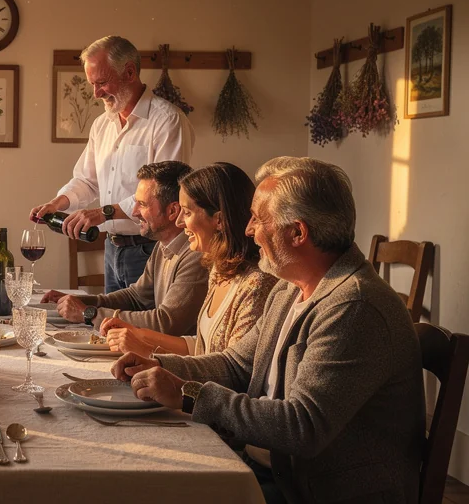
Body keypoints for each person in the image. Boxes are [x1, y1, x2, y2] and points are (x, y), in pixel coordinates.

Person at [116, 157, 424, 504]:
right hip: (271, 469)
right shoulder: (290, 288)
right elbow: (236, 364)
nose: (247, 230)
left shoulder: (354, 306)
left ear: (297, 232)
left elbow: (301, 425)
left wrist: (189, 395)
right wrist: (160, 368)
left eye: (259, 219)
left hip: (315, 490)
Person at [30, 36, 194, 292]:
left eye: (102, 83)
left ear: (129, 72)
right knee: (112, 328)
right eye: (92, 85)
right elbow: (87, 180)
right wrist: (57, 203)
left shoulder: (168, 121)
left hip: (150, 249)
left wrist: (102, 213)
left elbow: (163, 193)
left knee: (141, 330)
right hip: (111, 248)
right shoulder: (102, 124)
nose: (96, 94)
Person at [101, 163, 277, 356]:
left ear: (219, 220)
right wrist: (136, 333)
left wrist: (150, 353)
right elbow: (200, 346)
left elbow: (232, 369)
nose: (178, 222)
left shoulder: (255, 284)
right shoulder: (218, 270)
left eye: (187, 213)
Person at [42, 161, 207, 335]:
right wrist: (80, 301)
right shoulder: (163, 245)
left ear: (173, 210)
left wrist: (89, 314)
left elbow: (165, 322)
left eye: (142, 204)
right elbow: (136, 298)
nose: (134, 212)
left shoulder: (195, 255)